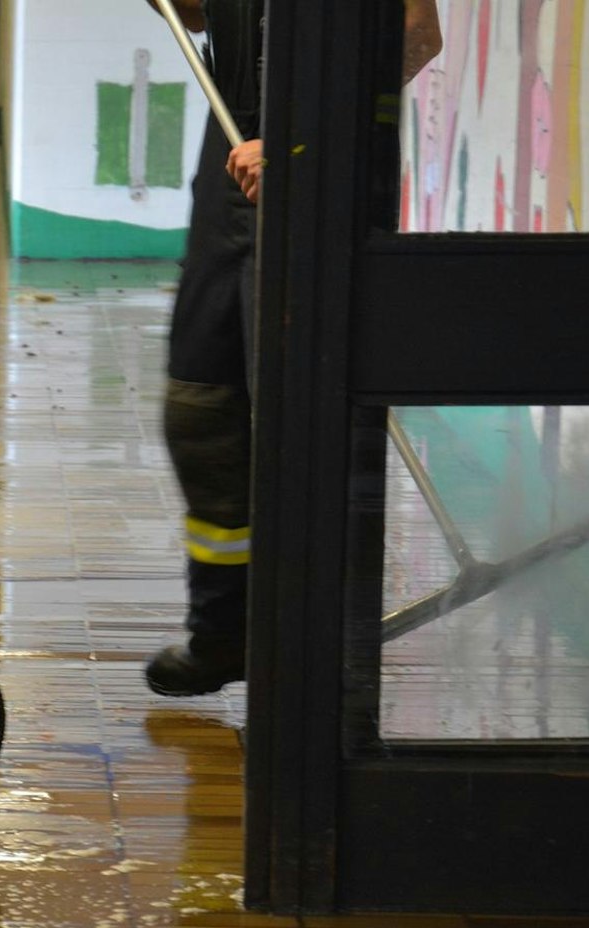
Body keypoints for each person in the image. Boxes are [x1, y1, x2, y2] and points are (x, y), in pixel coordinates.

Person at [142, 0, 439, 696]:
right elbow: (201, 19)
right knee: (202, 410)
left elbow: (418, 35)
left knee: (300, 423)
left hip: (325, 169)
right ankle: (225, 635)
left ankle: (320, 661)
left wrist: (303, 138)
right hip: (232, 160)